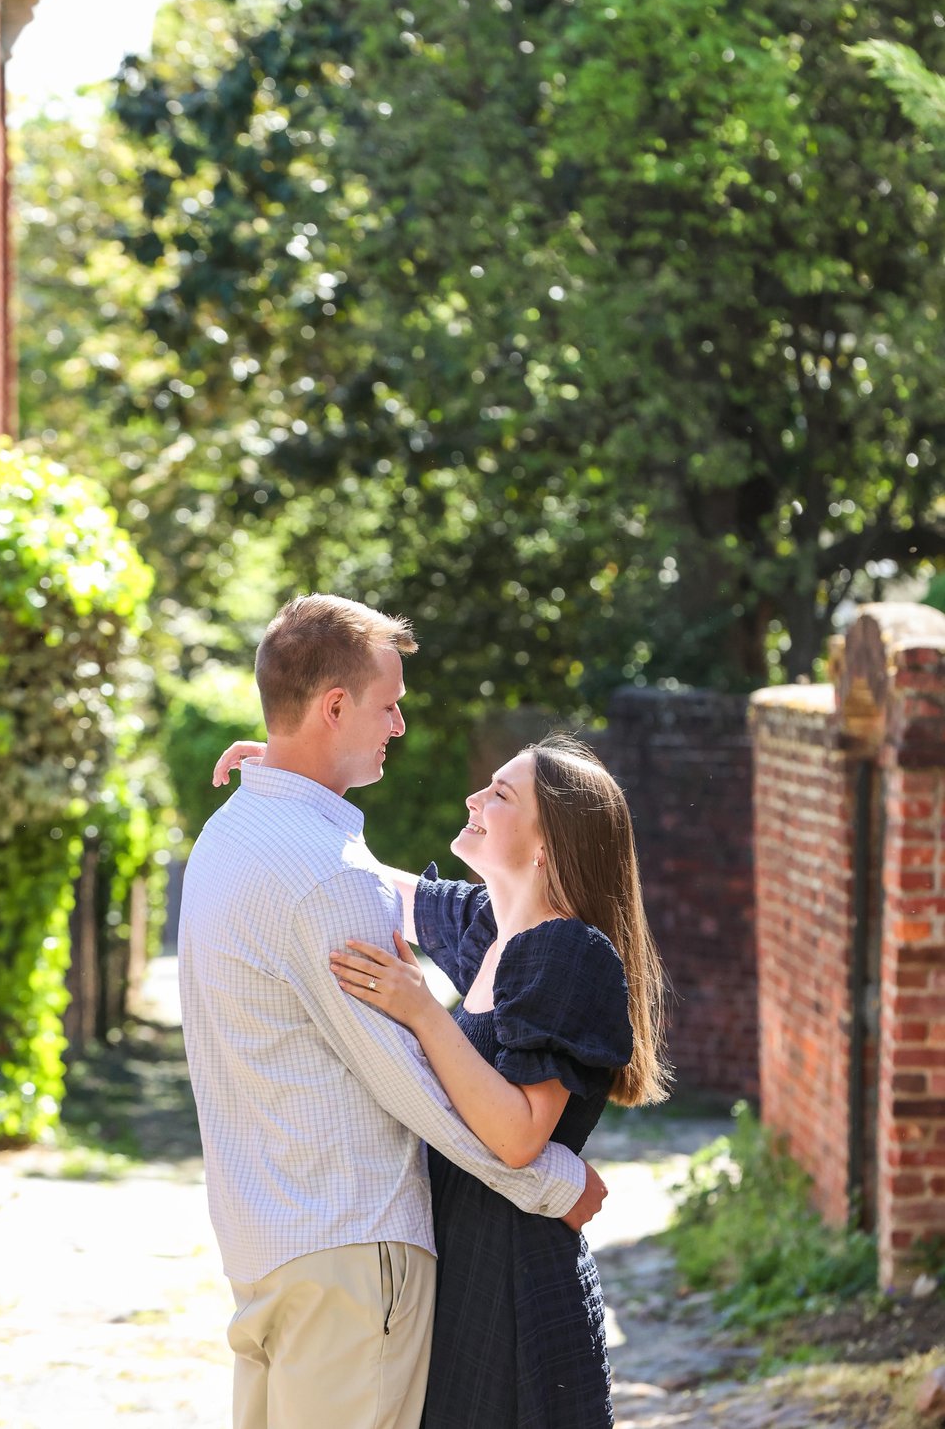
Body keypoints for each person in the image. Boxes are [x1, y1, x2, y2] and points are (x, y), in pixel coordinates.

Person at [180, 593, 606, 1429]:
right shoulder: (329, 877)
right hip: (350, 1252)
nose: (401, 725)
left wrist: (277, 776)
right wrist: (557, 1181)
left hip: (265, 1250)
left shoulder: (227, 839)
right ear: (335, 707)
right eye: (388, 703)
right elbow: (410, 1088)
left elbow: (382, 890)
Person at [218, 727, 671, 1429]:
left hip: (512, 1275)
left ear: (547, 843)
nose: (473, 798)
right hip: (458, 1258)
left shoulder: (569, 953)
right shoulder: (493, 930)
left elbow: (520, 1137)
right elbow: (366, 883)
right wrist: (286, 781)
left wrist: (423, 1010)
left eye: (499, 794)